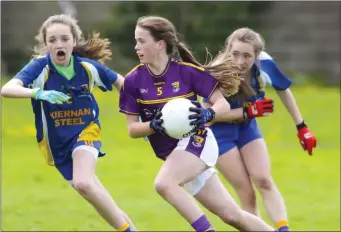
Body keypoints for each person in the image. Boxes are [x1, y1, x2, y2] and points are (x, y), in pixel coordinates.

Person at [119, 15, 276, 232]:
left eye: (141, 41)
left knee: (164, 184)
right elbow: (132, 130)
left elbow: (223, 105)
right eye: (136, 41)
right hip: (176, 156)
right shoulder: (132, 81)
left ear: (160, 44)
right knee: (232, 216)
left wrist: (207, 115)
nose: (136, 46)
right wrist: (153, 126)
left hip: (198, 141)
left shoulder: (187, 72)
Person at [1, 14, 136, 232]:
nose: (59, 44)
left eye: (64, 39)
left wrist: (135, 116)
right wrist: (37, 93)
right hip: (57, 145)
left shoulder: (87, 68)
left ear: (74, 41)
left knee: (84, 183)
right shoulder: (39, 68)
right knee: (97, 196)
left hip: (86, 132)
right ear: (46, 45)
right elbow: (7, 89)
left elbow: (122, 83)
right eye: (52, 40)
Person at [203, 27, 317, 232]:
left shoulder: (264, 64)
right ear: (228, 50)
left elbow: (284, 91)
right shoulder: (217, 72)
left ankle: (283, 229)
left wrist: (301, 126)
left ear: (256, 55)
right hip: (220, 133)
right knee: (247, 192)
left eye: (247, 56)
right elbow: (208, 116)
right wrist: (247, 111)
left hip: (247, 128)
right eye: (235, 54)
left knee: (263, 180)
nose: (239, 61)